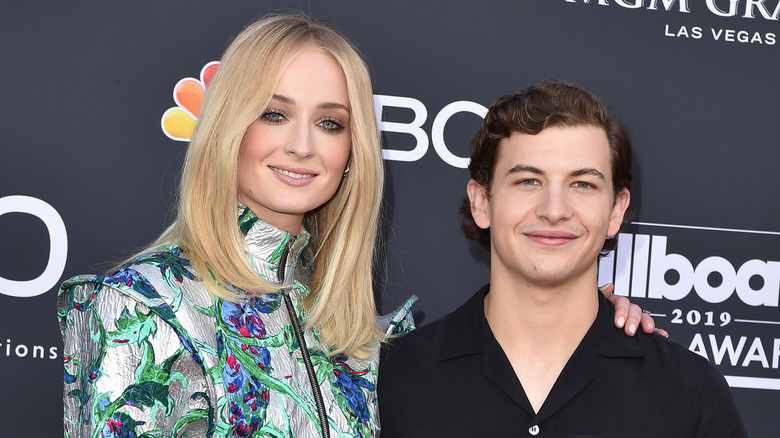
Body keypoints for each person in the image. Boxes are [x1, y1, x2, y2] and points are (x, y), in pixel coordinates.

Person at [58, 15, 656, 438]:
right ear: (226, 126)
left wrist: (581, 316)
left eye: (330, 123)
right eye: (274, 114)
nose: (301, 146)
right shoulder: (144, 306)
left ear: (353, 152)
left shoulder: (354, 335)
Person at [378, 80, 747, 437]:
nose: (554, 211)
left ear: (616, 211)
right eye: (528, 181)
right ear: (482, 202)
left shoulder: (688, 390)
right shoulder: (394, 376)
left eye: (582, 184)